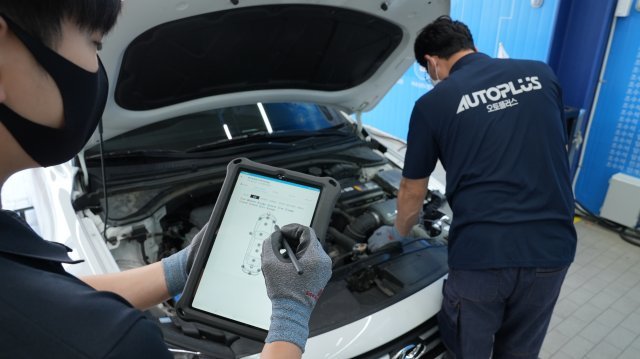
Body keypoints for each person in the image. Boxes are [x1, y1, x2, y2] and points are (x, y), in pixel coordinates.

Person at [0, 2, 331, 358]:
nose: (98, 67)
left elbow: (58, 300)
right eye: (95, 43)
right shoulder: (112, 344)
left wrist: (180, 268)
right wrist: (291, 316)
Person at [370, 16, 577, 358]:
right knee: (521, 350)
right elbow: (548, 143)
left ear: (433, 63)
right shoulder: (542, 74)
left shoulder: (432, 104)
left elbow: (411, 190)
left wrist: (398, 232)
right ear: (470, 45)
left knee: (470, 350)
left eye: (427, 70)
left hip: (484, 256)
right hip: (552, 248)